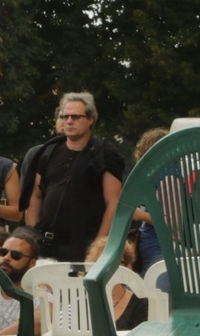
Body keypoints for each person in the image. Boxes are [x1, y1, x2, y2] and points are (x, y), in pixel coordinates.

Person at [23, 92, 126, 263]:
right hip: (47, 243)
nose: (69, 121)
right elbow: (36, 196)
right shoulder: (48, 152)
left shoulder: (104, 153)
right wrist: (33, 236)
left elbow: (113, 204)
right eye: (65, 117)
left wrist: (98, 248)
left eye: (76, 117)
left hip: (85, 245)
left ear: (90, 119)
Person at [131, 127, 169, 271]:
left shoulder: (168, 179)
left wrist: (140, 215)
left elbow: (170, 222)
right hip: (151, 251)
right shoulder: (157, 178)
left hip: (159, 253)